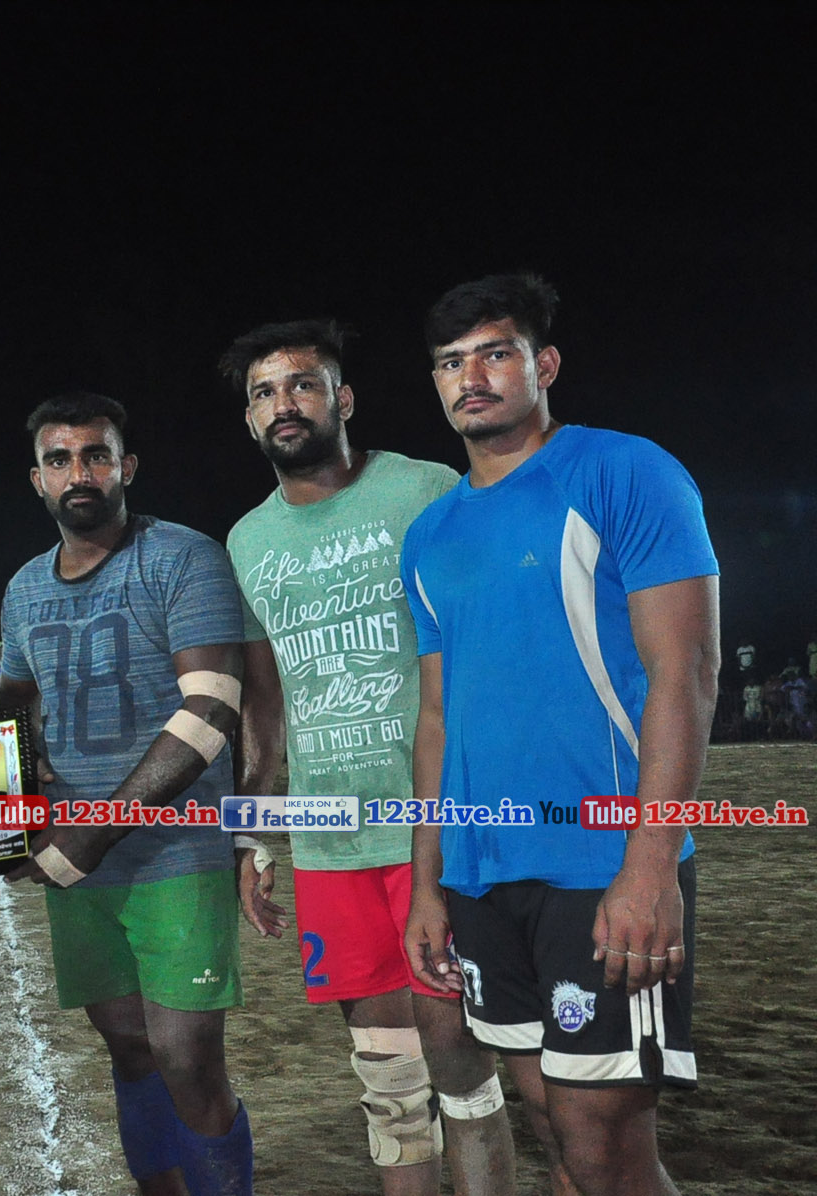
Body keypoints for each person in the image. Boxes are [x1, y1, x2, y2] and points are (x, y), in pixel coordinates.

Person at [402, 274, 717, 1196]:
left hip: (601, 866)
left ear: (543, 365)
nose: (471, 378)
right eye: (450, 363)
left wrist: (650, 868)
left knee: (601, 1140)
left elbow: (686, 674)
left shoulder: (624, 472)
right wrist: (427, 885)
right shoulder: (430, 535)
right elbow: (438, 717)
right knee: (549, 1116)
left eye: (494, 354)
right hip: (482, 875)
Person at [218, 319, 516, 1196]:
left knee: (459, 1061)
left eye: (302, 384)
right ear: (250, 418)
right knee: (387, 1082)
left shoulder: (424, 489)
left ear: (341, 399)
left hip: (437, 829)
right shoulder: (247, 541)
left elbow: (485, 648)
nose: (285, 403)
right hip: (330, 841)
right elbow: (264, 700)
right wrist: (252, 831)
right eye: (265, 393)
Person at [0, 392, 252, 1196]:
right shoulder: (23, 589)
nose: (80, 473)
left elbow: (211, 709)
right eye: (60, 459)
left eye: (96, 455)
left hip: (175, 851)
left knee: (184, 1054)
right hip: (81, 865)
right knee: (130, 1049)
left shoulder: (184, 557)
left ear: (126, 467)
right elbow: (13, 712)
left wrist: (91, 833)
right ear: (37, 478)